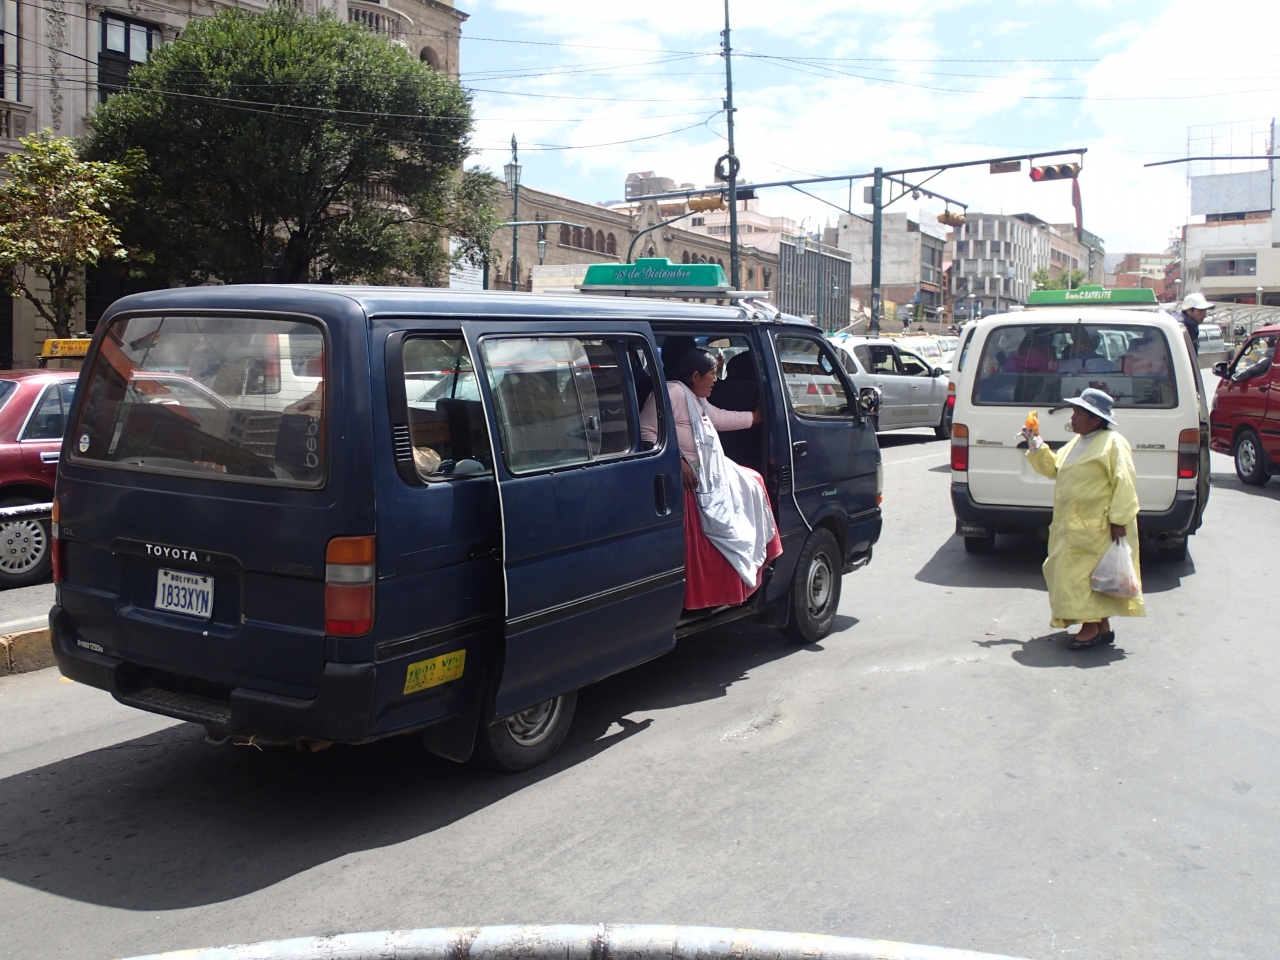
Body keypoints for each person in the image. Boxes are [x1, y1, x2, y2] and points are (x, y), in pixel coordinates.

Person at [640, 348, 781, 610]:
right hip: (690, 477)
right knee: (752, 484)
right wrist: (677, 461)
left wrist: (754, 418)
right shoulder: (673, 392)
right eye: (713, 373)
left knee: (754, 481)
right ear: (695, 376)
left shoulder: (696, 399)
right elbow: (646, 431)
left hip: (707, 470)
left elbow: (718, 418)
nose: (717, 380)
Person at [1021, 388, 1144, 649]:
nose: (1073, 417)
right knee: (1090, 576)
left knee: (1083, 577)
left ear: (1096, 419)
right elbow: (1055, 467)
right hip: (1073, 526)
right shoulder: (1078, 443)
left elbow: (1124, 481)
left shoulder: (1112, 442)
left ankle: (1089, 627)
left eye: (1078, 412)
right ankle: (1102, 626)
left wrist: (1119, 520)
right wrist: (1035, 442)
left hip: (1097, 528)